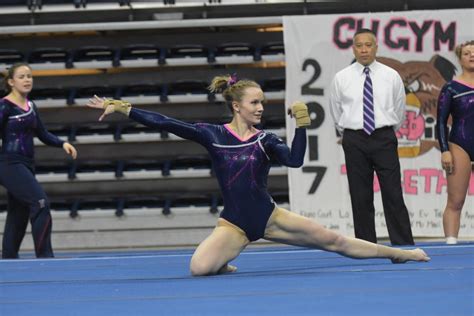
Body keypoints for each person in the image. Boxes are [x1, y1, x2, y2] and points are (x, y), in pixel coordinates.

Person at [87, 74, 429, 276]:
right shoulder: (212, 134)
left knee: (334, 242)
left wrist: (303, 128)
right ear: (237, 106)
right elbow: (168, 123)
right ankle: (224, 262)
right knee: (198, 269)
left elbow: (295, 161)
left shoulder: (266, 140)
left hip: (269, 217)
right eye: (254, 103)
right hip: (234, 224)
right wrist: (125, 108)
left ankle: (398, 253)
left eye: (262, 102)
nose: (261, 108)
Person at [328, 28, 414, 245]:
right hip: (354, 139)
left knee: (393, 193)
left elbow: (399, 109)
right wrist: (349, 132)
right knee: (360, 195)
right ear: (353, 48)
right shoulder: (342, 77)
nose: (364, 49)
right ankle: (365, 245)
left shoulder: (391, 75)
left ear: (376, 47)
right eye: (359, 45)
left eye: (368, 45)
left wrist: (385, 131)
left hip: (383, 137)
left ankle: (403, 244)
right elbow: (336, 111)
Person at [0, 63, 77, 259]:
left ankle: (8, 258)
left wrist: (62, 144)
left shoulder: (31, 106)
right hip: (8, 163)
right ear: (10, 82)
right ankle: (45, 257)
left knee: (19, 213)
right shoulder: (4, 106)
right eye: (22, 76)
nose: (27, 80)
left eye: (29, 76)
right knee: (40, 202)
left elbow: (42, 133)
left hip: (25, 163)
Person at [436, 40, 474, 245]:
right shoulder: (451, 87)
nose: (472, 56)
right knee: (456, 200)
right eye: (467, 53)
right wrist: (445, 150)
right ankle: (451, 243)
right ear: (460, 58)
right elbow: (441, 121)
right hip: (460, 144)